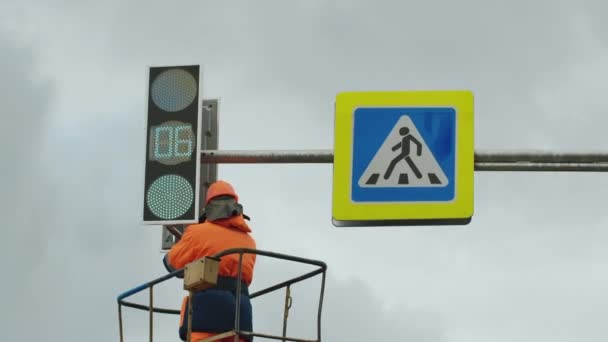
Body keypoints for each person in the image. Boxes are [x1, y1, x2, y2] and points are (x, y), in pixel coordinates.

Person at [163, 180, 256, 342]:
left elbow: (172, 264)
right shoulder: (249, 241)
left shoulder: (197, 233)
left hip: (206, 317)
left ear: (209, 207)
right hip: (241, 319)